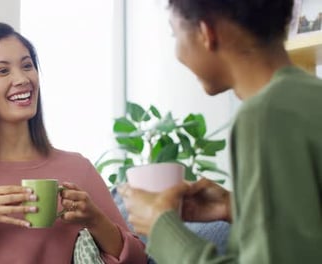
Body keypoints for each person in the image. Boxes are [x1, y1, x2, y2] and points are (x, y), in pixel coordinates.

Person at [0, 22, 147, 264]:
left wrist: (95, 220)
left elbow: (138, 259)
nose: (22, 78)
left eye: (27, 66)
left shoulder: (77, 168)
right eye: (2, 71)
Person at [119, 0, 322, 263]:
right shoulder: (309, 97)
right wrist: (236, 207)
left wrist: (161, 228)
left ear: (206, 33)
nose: (177, 53)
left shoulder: (265, 115)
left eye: (174, 33)